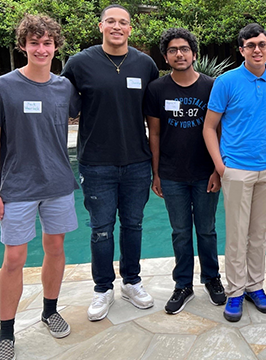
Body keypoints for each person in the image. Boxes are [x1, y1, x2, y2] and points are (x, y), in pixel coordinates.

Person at [61, 4, 159, 321]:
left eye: (124, 22)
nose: (117, 27)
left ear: (131, 29)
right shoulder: (79, 64)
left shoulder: (145, 65)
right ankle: (103, 288)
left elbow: (154, 117)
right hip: (96, 164)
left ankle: (132, 281)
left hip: (136, 162)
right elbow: (58, 104)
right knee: (101, 230)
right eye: (111, 21)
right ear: (100, 26)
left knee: (133, 225)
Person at [0, 14, 80, 359]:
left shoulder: (64, 87)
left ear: (55, 46)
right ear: (23, 46)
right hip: (16, 184)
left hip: (58, 181)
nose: (41, 49)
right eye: (35, 42)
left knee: (56, 249)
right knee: (14, 258)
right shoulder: (4, 86)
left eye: (47, 43)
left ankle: (50, 310)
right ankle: (6, 331)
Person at [203, 23, 266, 322]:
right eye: (250, 45)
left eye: (262, 44)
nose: (257, 49)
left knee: (260, 232)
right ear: (241, 49)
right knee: (237, 234)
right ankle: (236, 291)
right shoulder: (226, 82)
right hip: (237, 169)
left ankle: (256, 286)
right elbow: (209, 127)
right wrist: (220, 165)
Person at [143, 28, 226, 315]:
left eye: (184, 49)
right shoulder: (157, 89)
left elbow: (219, 130)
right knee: (180, 232)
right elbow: (154, 134)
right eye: (173, 50)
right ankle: (183, 285)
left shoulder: (211, 86)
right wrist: (156, 173)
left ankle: (212, 279)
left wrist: (218, 169)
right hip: (172, 174)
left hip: (205, 172)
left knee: (207, 230)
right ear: (165, 57)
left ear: (194, 53)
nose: (179, 54)